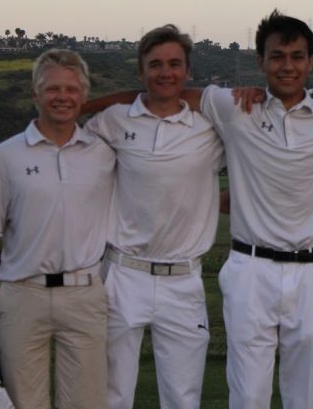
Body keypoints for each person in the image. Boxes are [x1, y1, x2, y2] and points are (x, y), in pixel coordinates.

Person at [199, 10, 313, 409]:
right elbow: (165, 93)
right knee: (248, 396)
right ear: (260, 60)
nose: (288, 65)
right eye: (277, 56)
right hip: (250, 269)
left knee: (304, 397)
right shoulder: (233, 107)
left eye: (297, 56)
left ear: (312, 61)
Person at [0, 49, 115, 409]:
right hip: (22, 295)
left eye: (72, 89)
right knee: (23, 403)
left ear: (84, 95)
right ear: (35, 93)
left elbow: (144, 103)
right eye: (52, 89)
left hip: (84, 294)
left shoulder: (104, 153)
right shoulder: (5, 156)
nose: (62, 97)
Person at [85, 25, 224, 409]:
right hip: (122, 274)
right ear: (140, 71)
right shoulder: (114, 120)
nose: (166, 73)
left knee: (182, 398)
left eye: (175, 64)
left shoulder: (211, 127)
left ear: (188, 69)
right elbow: (62, 145)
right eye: (156, 64)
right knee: (111, 395)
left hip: (183, 278)